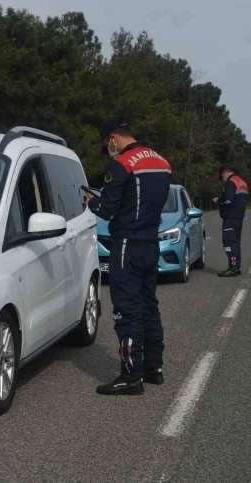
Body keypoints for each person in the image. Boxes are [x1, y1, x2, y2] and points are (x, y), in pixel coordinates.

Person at [85, 116, 171, 396]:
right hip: (151, 243)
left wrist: (91, 202)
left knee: (127, 310)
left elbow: (107, 209)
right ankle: (154, 368)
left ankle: (131, 376)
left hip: (127, 245)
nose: (108, 149)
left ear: (112, 138)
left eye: (106, 144)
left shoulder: (121, 164)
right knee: (149, 306)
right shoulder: (161, 162)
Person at [212, 165, 248, 277]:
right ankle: (237, 267)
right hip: (239, 217)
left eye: (221, 176)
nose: (222, 178)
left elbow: (228, 200)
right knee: (236, 242)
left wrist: (218, 200)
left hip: (230, 217)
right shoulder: (242, 182)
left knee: (229, 242)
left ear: (224, 173)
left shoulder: (230, 182)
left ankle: (232, 267)